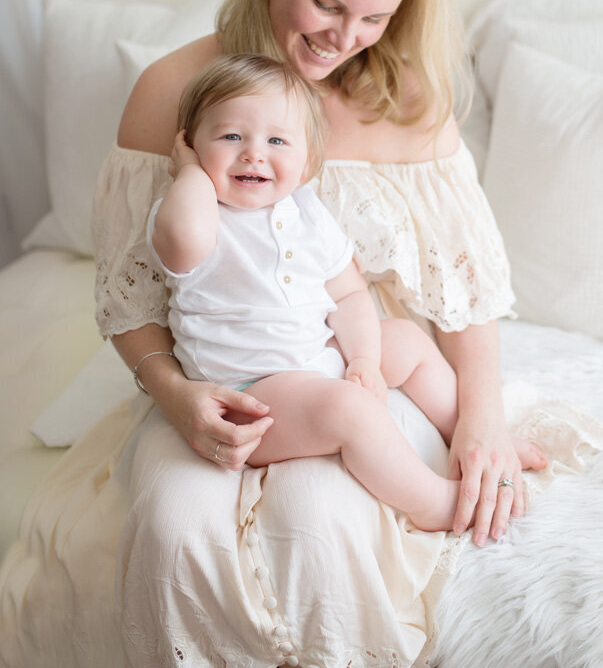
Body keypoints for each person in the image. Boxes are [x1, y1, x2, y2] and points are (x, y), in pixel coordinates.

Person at [95, 0, 547, 664]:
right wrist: (176, 396)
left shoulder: (410, 101)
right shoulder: (176, 91)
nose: (344, 39)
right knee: (172, 528)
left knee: (318, 525)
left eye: (374, 19)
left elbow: (467, 289)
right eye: (327, 4)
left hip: (353, 359)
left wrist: (481, 418)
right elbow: (130, 296)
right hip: (220, 367)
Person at [149, 51, 496, 532]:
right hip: (251, 396)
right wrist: (188, 172)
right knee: (347, 410)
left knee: (406, 339)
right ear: (189, 144)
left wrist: (364, 361)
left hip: (316, 355)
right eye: (231, 136)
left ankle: (470, 437)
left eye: (276, 140)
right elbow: (182, 242)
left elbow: (350, 296)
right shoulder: (196, 211)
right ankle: (431, 502)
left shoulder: (307, 210)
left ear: (307, 159)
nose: (253, 153)